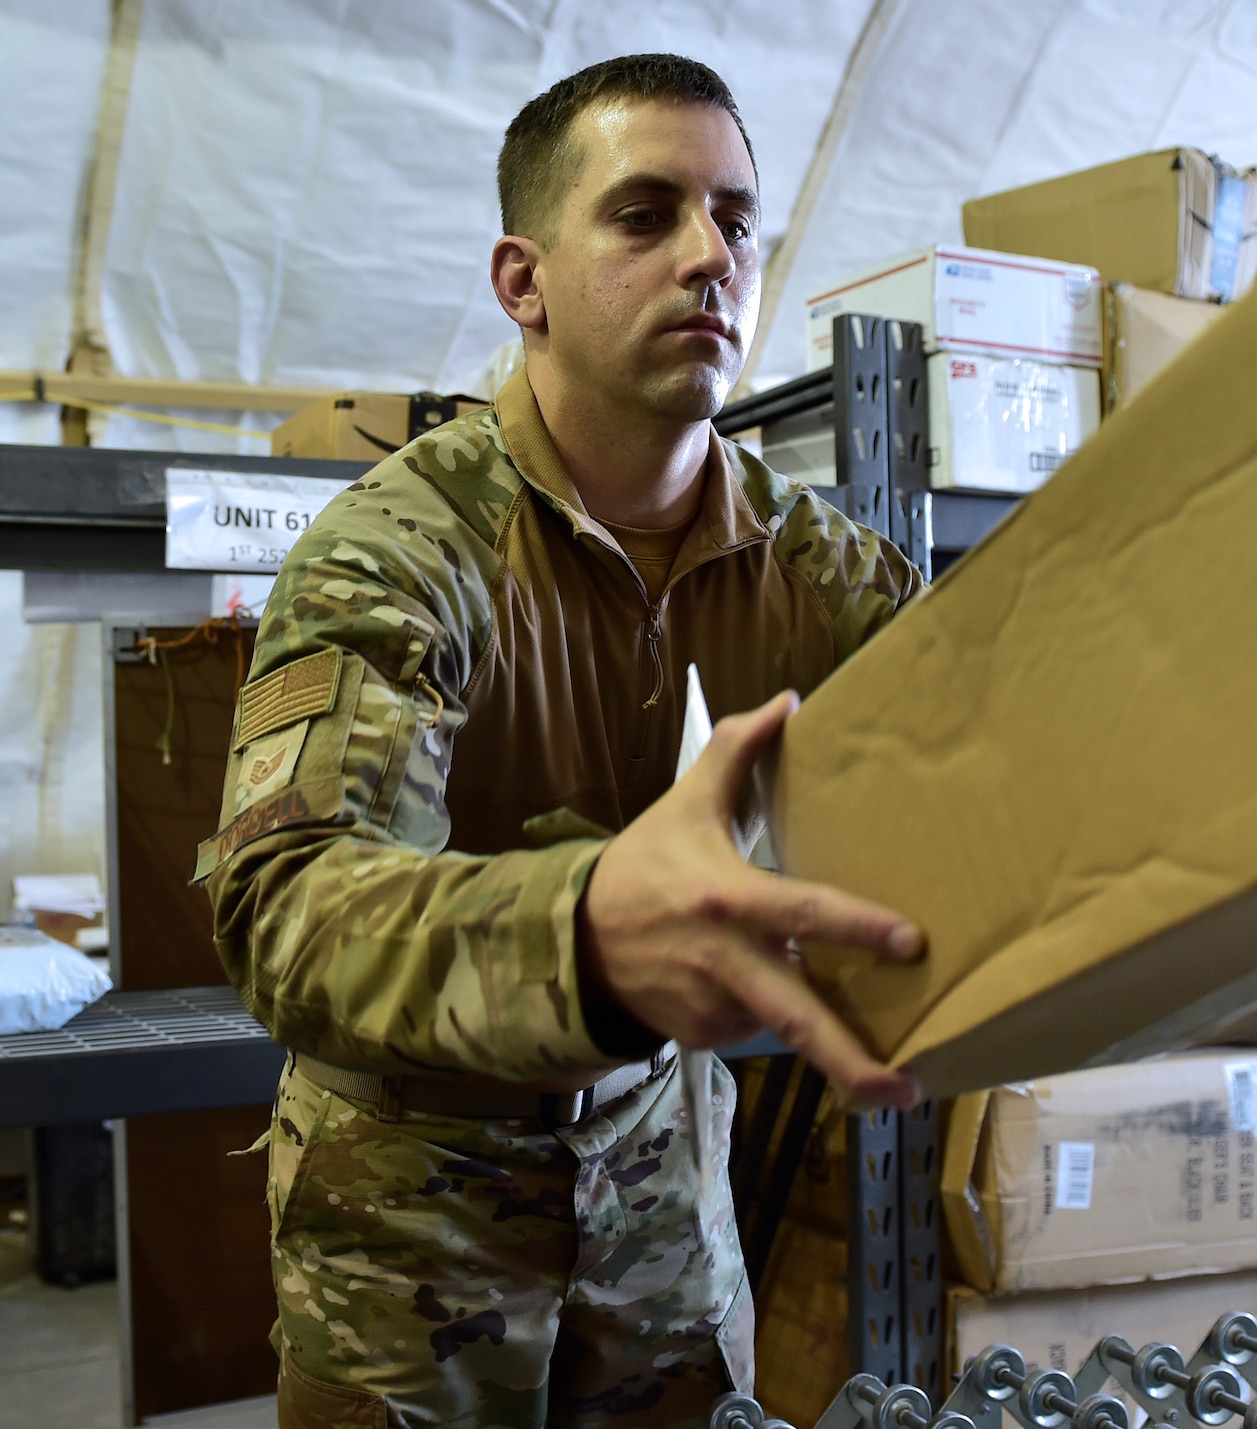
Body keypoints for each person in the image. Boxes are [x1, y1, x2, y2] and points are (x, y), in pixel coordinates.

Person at [199, 53, 925, 1428]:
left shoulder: (817, 564)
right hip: (415, 1224)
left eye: (737, 217)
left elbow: (1022, 762)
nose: (713, 256)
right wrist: (586, 931)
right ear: (523, 281)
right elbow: (282, 902)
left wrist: (1252, 916)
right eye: (647, 215)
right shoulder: (398, 549)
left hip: (660, 1189)